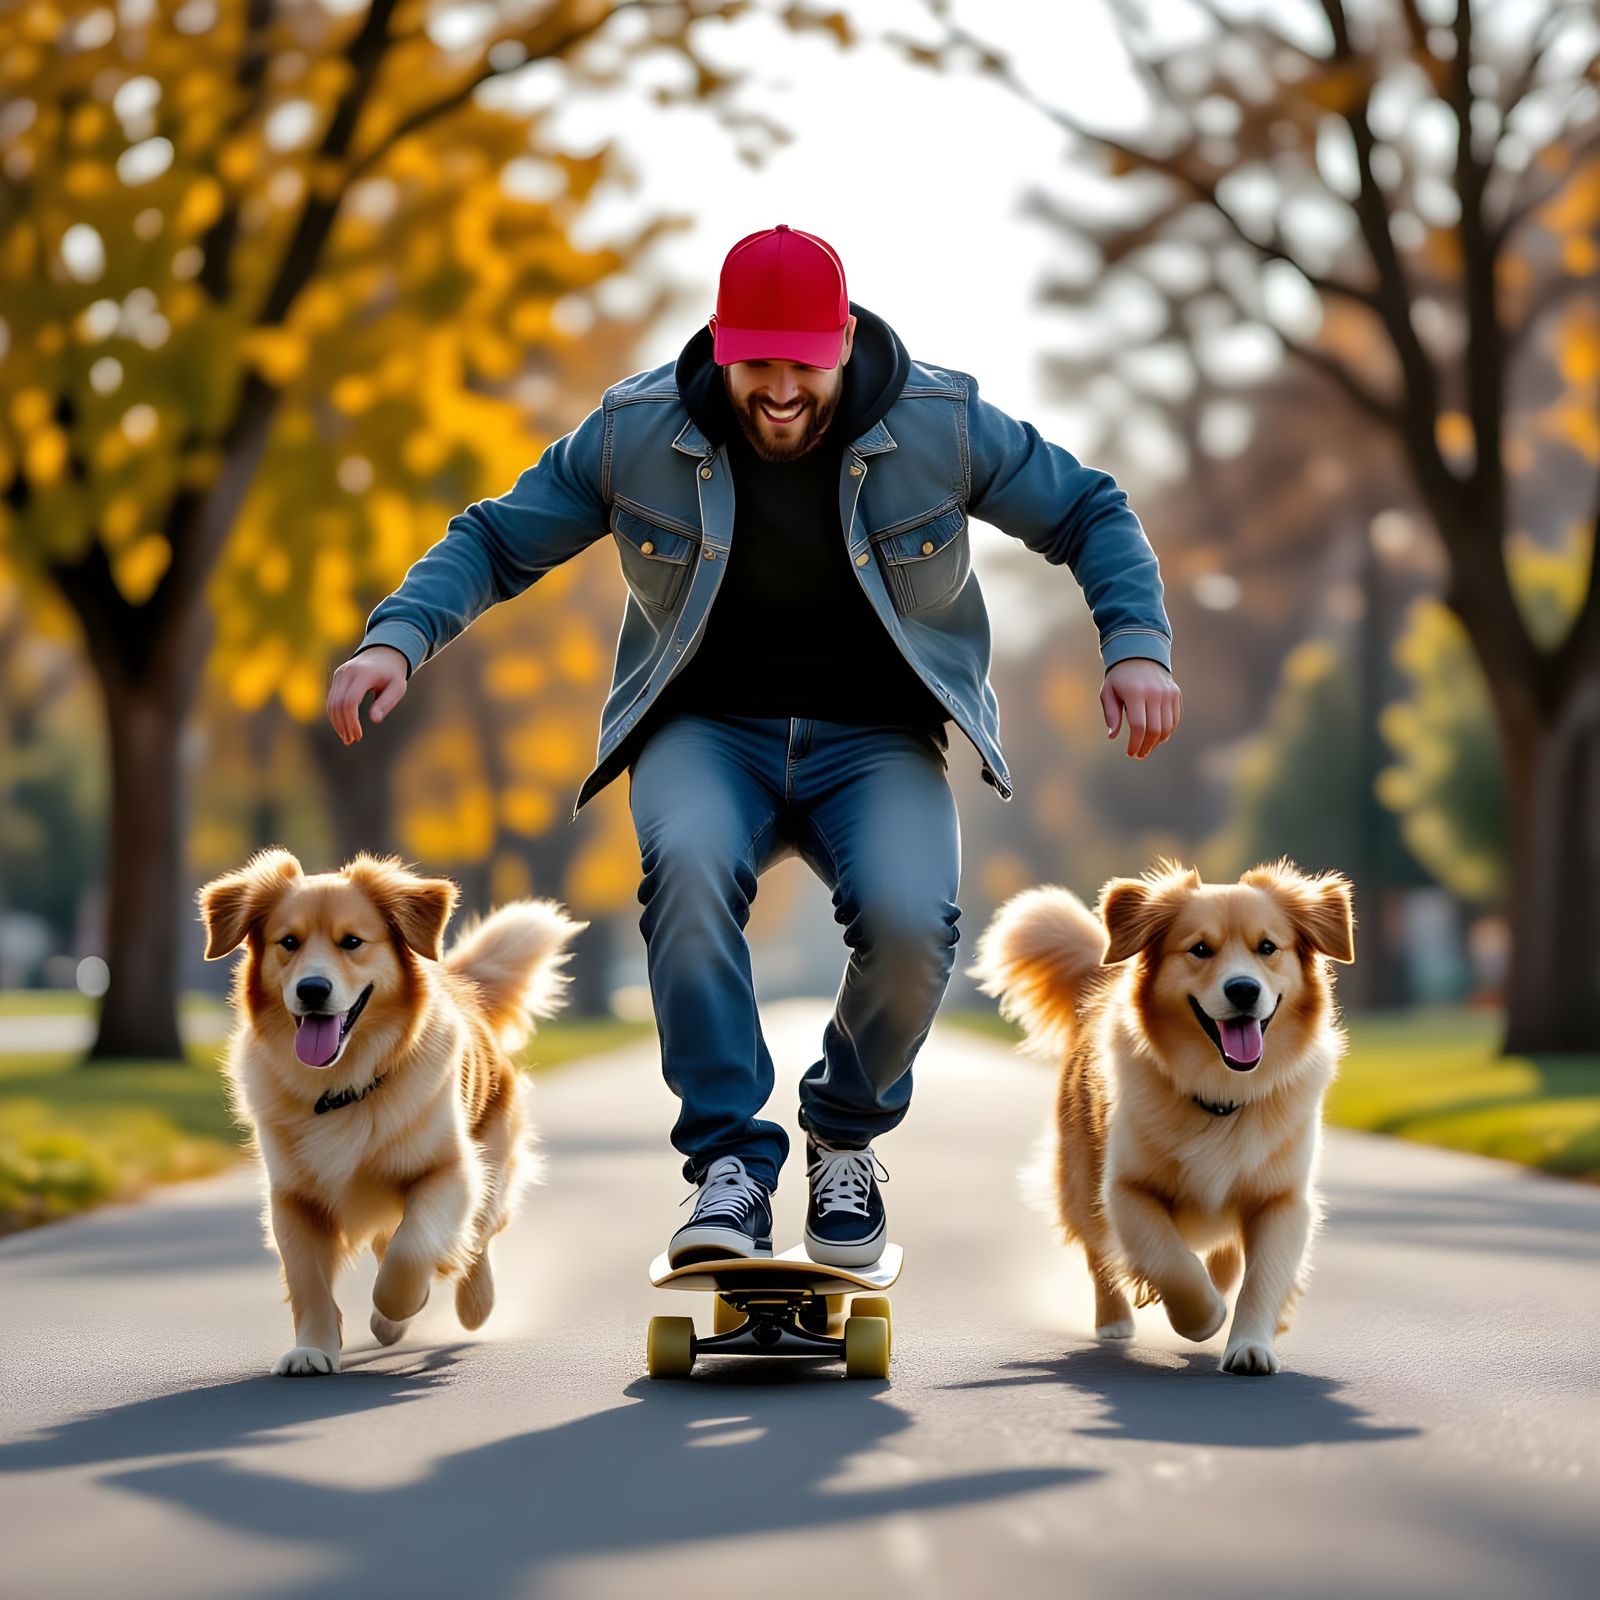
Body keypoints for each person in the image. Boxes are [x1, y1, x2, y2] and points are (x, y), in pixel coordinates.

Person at [326, 223, 1182, 1271]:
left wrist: (1135, 644)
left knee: (914, 924)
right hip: (706, 733)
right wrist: (397, 638)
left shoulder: (943, 424)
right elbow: (497, 538)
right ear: (721, 346)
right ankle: (728, 1163)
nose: (779, 391)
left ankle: (844, 1138)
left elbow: (1089, 510)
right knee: (686, 873)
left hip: (876, 738)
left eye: (803, 366)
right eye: (756, 365)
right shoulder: (635, 431)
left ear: (844, 343)